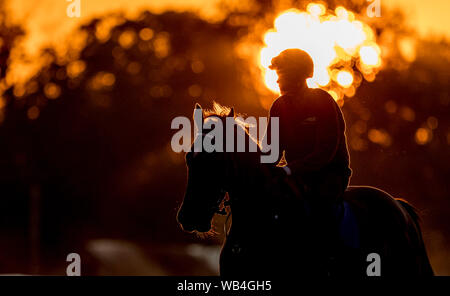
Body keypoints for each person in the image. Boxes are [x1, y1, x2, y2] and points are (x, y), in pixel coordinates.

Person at [264, 48, 352, 210]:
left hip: (330, 176)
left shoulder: (323, 101)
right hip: (295, 175)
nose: (277, 81)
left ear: (296, 76)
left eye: (281, 76)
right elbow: (271, 152)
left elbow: (326, 151)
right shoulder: (278, 106)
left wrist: (290, 169)